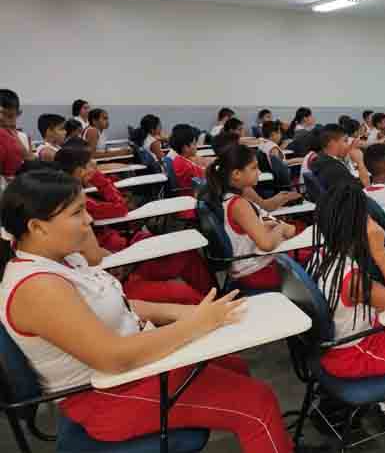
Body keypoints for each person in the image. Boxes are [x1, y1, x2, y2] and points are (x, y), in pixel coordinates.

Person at [0, 170, 297, 453]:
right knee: (258, 403)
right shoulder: (38, 288)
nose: (89, 218)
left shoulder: (61, 259)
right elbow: (113, 357)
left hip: (129, 376)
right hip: (107, 397)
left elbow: (120, 304)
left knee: (236, 366)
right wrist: (196, 325)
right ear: (36, 227)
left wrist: (187, 314)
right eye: (77, 212)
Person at [306, 182, 385, 453]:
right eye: (367, 216)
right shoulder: (350, 278)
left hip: (338, 340)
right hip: (353, 352)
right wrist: (380, 253)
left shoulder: (320, 255)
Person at [53, 149, 214, 304]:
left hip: (123, 255)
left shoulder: (77, 201)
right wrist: (100, 179)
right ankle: (212, 302)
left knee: (185, 254)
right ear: (80, 171)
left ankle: (212, 298)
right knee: (183, 281)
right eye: (90, 165)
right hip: (124, 263)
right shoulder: (83, 203)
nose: (95, 167)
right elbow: (121, 208)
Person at [205, 145, 298, 290]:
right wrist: (281, 228)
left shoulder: (228, 199)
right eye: (254, 168)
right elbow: (266, 244)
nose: (259, 172)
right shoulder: (239, 205)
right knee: (313, 256)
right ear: (236, 174)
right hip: (256, 273)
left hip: (249, 268)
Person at [310, 124, 369, 189]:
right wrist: (360, 162)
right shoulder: (337, 168)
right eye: (345, 141)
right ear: (332, 143)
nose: (348, 146)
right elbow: (366, 187)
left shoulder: (319, 159)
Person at [0, 89, 30, 181]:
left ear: (18, 113)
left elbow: (31, 161)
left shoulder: (23, 137)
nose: (5, 121)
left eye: (11, 116)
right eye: (3, 115)